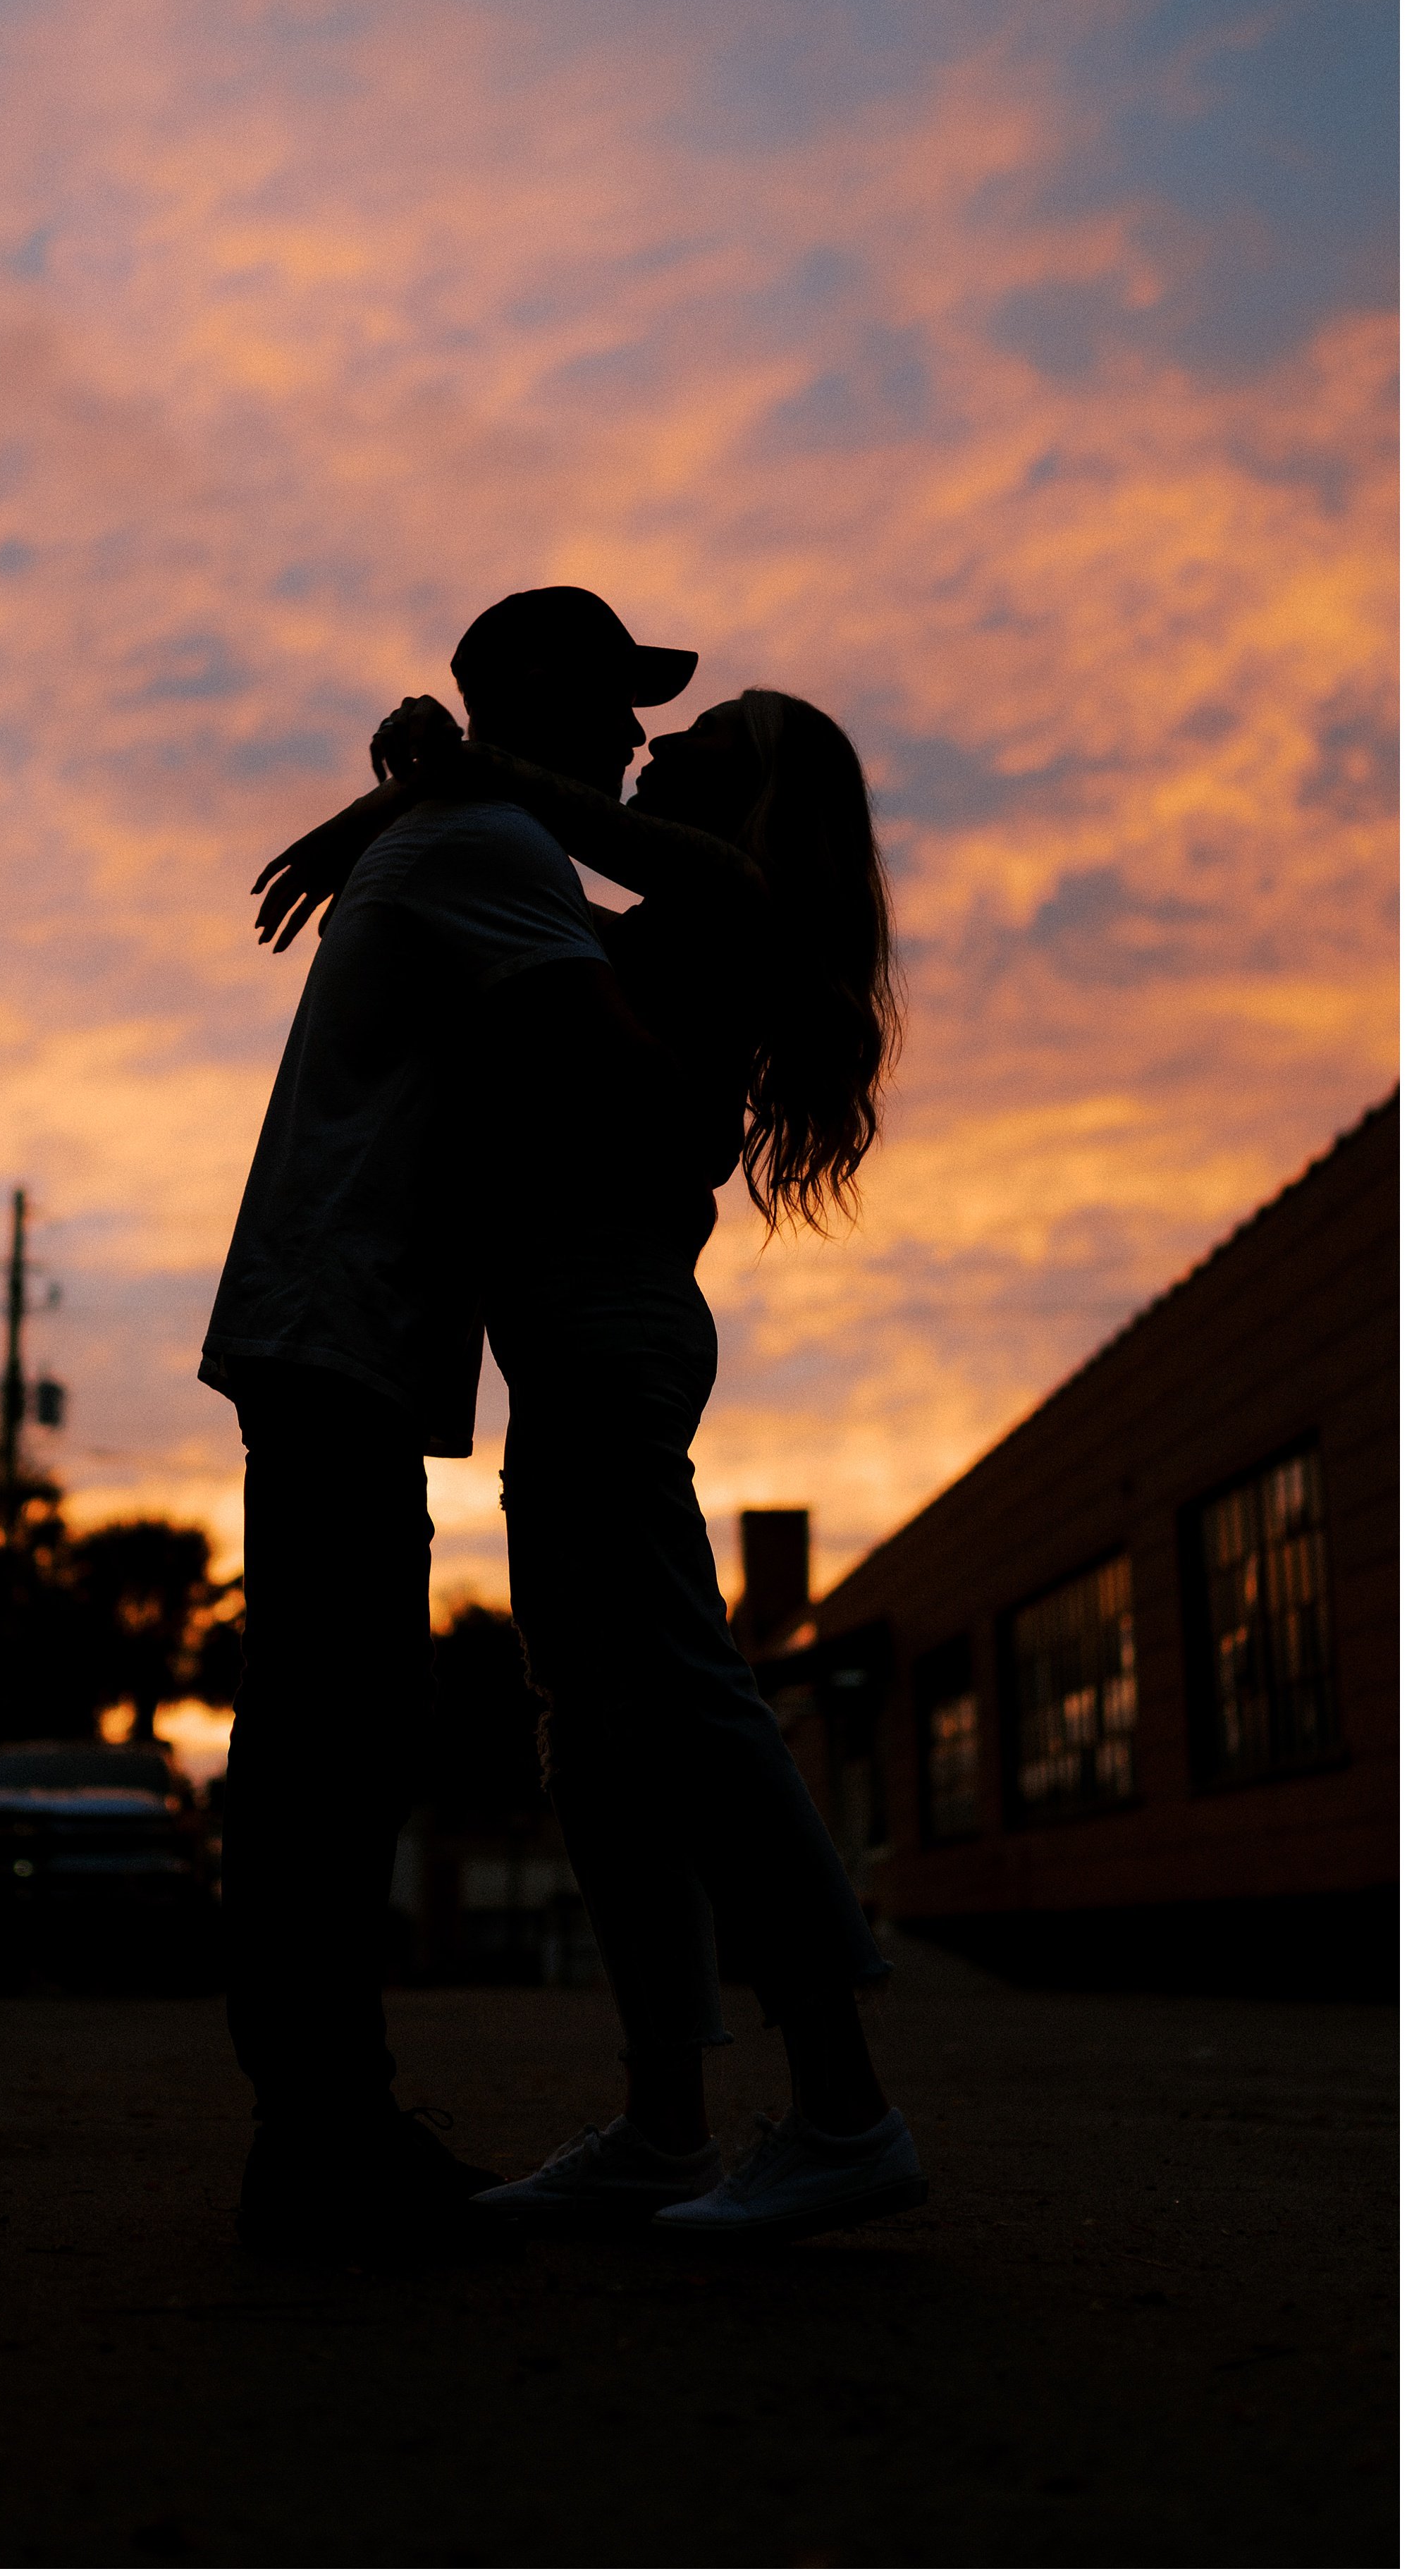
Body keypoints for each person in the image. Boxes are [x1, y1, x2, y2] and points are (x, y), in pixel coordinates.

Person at [256, 642, 923, 2243]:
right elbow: (525, 887)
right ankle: (663, 2122)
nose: (671, 737)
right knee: (599, 1729)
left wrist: (445, 780)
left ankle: (842, 2107)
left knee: (684, 1697)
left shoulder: (721, 900)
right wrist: (404, 802)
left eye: (716, 732)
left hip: (611, 1326)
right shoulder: (649, 921)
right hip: (564, 1337)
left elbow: (579, 844)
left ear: (768, 800)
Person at [202, 586, 700, 2257]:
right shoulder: (491, 848)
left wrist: (407, 786)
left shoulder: (466, 828)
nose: (638, 737)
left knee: (339, 1722)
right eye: (617, 701)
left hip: (344, 1330)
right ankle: (316, 2131)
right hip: (339, 1326)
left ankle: (322, 2119)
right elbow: (627, 1074)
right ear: (542, 696)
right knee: (329, 1730)